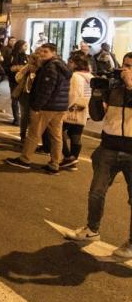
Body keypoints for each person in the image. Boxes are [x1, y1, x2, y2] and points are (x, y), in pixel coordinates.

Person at [65, 51, 132, 259]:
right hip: (108, 147)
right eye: (125, 65)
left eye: (130, 66)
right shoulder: (113, 87)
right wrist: (96, 93)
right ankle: (92, 229)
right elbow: (96, 116)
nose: (125, 70)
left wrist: (131, 86)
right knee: (96, 192)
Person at [5, 43, 71, 173]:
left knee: (34, 133)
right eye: (41, 51)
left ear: (54, 53)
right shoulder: (61, 66)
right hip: (59, 107)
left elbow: (46, 90)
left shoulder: (51, 67)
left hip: (47, 107)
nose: (41, 54)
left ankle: (25, 159)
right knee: (56, 136)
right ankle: (54, 164)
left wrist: (36, 106)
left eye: (45, 52)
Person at [59, 52, 93, 171]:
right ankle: (73, 161)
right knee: (76, 135)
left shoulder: (75, 76)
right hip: (85, 110)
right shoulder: (90, 76)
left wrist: (65, 107)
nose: (68, 64)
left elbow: (72, 94)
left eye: (70, 62)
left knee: (59, 132)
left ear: (75, 63)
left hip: (72, 109)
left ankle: (68, 157)